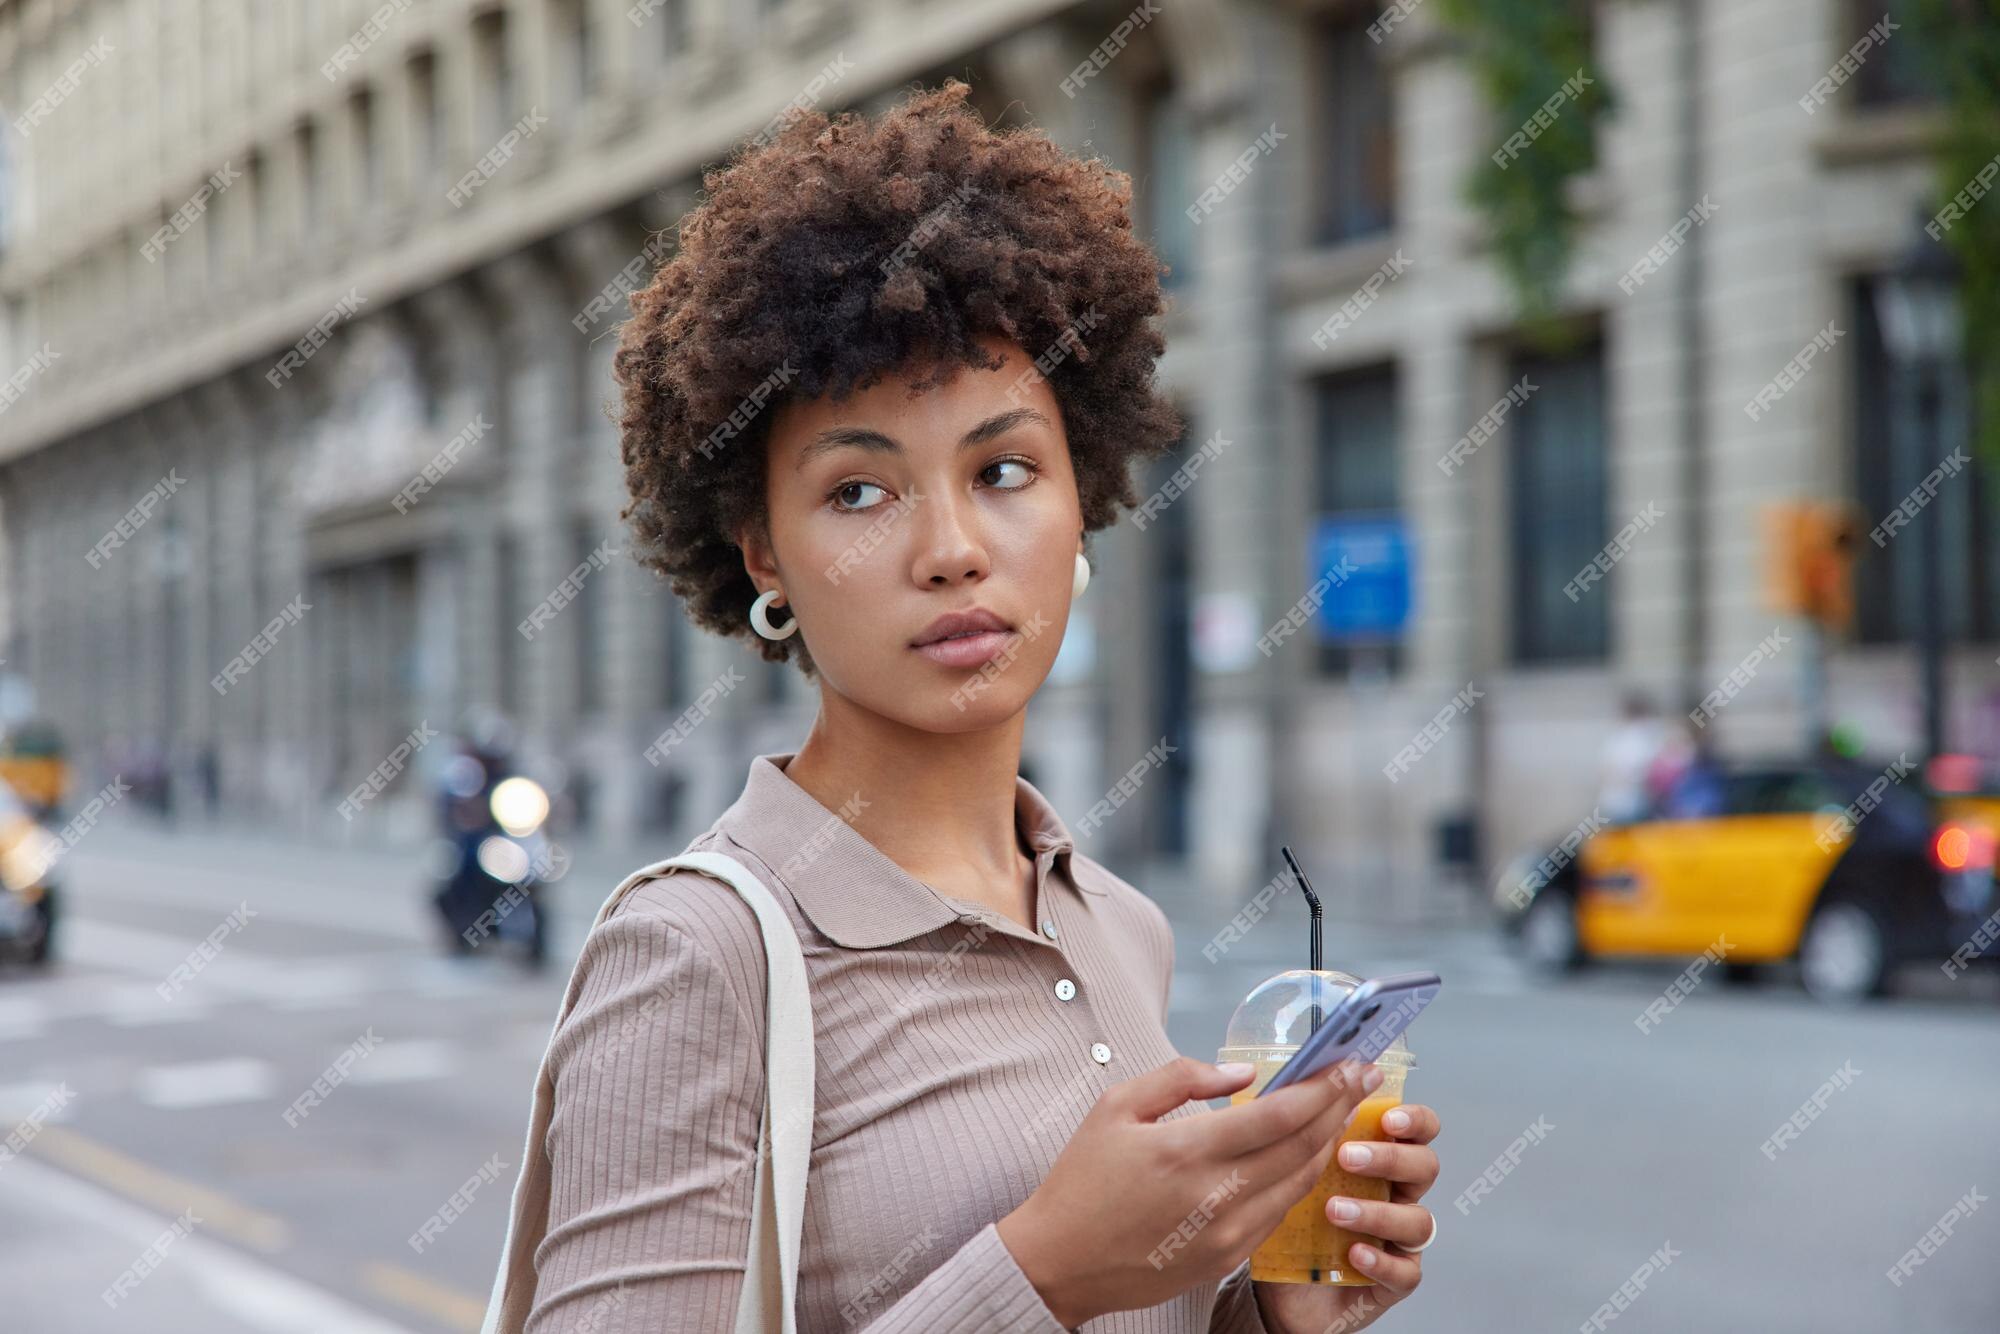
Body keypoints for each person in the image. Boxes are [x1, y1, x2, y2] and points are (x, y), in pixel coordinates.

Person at [513, 84, 1441, 1333]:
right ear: (764, 555)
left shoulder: (1118, 921)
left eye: (1003, 470)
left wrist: (1272, 1311)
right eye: (858, 490)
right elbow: (1058, 1286)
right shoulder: (697, 957)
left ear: (1082, 501)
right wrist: (1039, 1270)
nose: (951, 547)